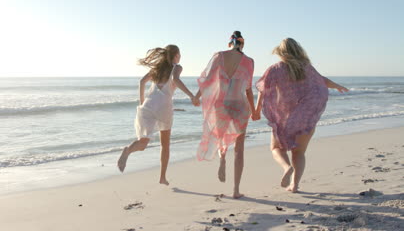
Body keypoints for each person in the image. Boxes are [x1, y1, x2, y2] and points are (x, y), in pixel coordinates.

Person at [252, 38, 349, 193]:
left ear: (281, 52)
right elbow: (322, 81)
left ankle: (286, 167)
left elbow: (263, 90)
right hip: (305, 117)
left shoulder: (275, 69)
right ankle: (295, 185)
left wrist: (256, 110)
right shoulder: (307, 67)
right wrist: (337, 85)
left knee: (276, 148)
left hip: (285, 119)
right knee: (299, 152)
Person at [117, 45, 196, 185]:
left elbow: (141, 82)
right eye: (179, 54)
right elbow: (176, 80)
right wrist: (191, 95)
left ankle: (128, 150)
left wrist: (142, 102)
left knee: (142, 143)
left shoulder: (157, 69)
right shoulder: (177, 67)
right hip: (164, 107)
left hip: (148, 105)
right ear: (176, 55)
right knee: (165, 145)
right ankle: (162, 177)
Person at [194, 31, 256, 198]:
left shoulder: (219, 56)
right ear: (242, 44)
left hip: (221, 104)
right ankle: (236, 190)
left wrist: (196, 97)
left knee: (220, 136)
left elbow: (207, 80)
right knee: (239, 149)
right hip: (240, 105)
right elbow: (248, 89)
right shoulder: (249, 62)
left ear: (230, 43)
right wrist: (255, 110)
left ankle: (222, 158)